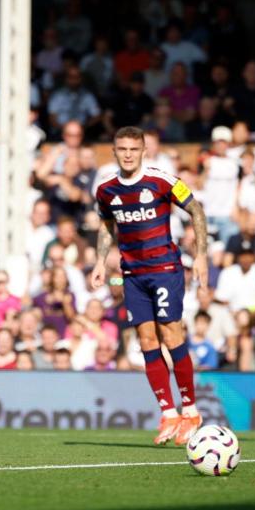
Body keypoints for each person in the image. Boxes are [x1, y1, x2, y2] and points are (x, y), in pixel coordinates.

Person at [91, 126, 209, 446]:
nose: (128, 154)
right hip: (132, 273)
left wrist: (200, 256)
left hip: (165, 269)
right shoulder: (106, 190)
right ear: (115, 152)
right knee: (145, 340)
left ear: (144, 151)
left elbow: (196, 209)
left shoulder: (162, 180)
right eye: (122, 149)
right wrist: (101, 262)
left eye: (133, 149)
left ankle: (191, 410)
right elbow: (105, 225)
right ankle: (169, 413)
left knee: (171, 334)